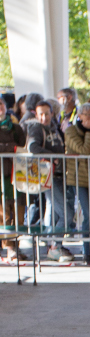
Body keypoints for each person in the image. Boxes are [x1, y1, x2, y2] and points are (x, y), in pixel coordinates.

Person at [25, 99, 70, 259]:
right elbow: (33, 147)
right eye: (41, 114)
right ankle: (55, 245)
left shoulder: (56, 128)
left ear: (52, 113)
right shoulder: (36, 128)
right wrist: (51, 158)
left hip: (56, 175)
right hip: (47, 175)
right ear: (36, 115)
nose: (44, 117)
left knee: (52, 212)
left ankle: (52, 244)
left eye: (47, 113)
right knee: (66, 213)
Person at [63, 102, 90, 263]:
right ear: (79, 116)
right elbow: (84, 150)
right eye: (86, 114)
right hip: (78, 178)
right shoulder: (71, 131)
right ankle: (88, 252)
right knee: (88, 215)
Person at [0, 96, 25, 263]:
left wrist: (10, 149)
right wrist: (12, 148)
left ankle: (14, 246)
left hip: (16, 173)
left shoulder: (16, 127)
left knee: (18, 209)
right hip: (1, 174)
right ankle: (8, 247)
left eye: (0, 104)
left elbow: (23, 146)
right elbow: (16, 147)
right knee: (3, 211)